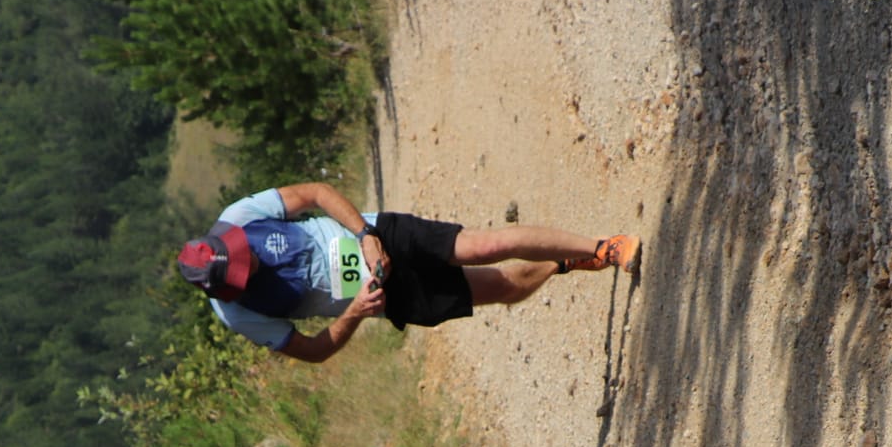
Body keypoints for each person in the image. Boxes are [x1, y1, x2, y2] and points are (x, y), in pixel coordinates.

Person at [174, 181, 640, 362]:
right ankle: (563, 262)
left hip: (384, 236)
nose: (250, 265)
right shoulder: (237, 314)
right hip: (382, 297)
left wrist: (364, 234)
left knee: (487, 246)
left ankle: (604, 246)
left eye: (243, 256)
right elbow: (313, 350)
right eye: (242, 274)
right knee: (503, 287)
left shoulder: (239, 217)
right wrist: (356, 311)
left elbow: (315, 193)